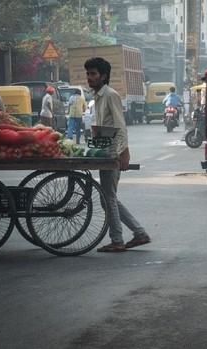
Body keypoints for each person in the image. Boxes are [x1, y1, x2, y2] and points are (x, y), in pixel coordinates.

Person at [85, 57, 151, 252]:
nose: (89, 77)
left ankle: (118, 240)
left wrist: (124, 153)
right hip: (103, 151)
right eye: (88, 73)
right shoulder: (96, 97)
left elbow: (120, 125)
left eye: (93, 74)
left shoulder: (110, 95)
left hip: (113, 153)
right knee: (109, 197)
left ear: (103, 76)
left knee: (108, 198)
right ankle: (139, 233)